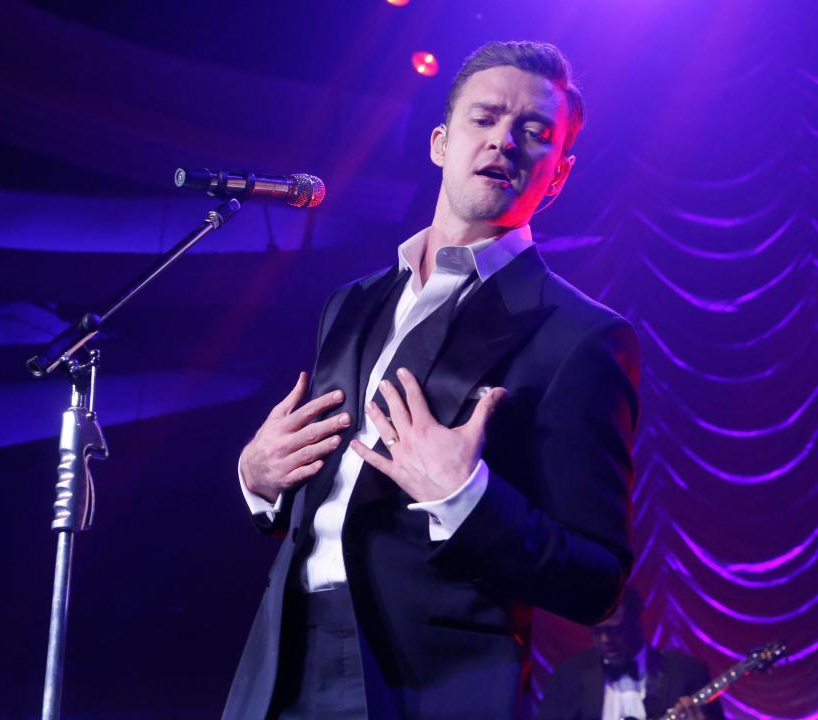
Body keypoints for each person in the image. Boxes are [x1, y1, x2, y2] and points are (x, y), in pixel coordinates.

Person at [222, 40, 641, 720]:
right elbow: (323, 495)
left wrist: (465, 497)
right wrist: (259, 478)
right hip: (280, 660)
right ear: (441, 143)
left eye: (534, 133)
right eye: (486, 118)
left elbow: (597, 581)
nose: (506, 141)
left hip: (428, 684)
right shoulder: (351, 304)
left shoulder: (581, 337)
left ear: (557, 174)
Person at [538, 587, 725, 720]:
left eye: (615, 631)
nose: (605, 640)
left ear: (636, 625)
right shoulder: (568, 675)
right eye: (597, 632)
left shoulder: (686, 671)